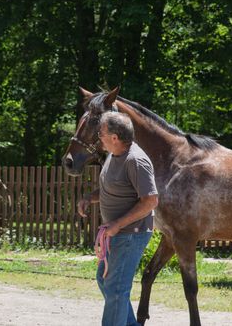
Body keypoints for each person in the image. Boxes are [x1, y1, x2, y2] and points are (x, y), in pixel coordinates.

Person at [77, 111, 159, 326]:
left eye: (101, 133)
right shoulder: (114, 155)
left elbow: (150, 201)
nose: (98, 137)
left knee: (116, 289)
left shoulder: (136, 160)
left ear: (114, 137)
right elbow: (112, 188)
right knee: (105, 281)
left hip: (131, 234)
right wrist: (89, 198)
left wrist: (117, 224)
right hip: (117, 233)